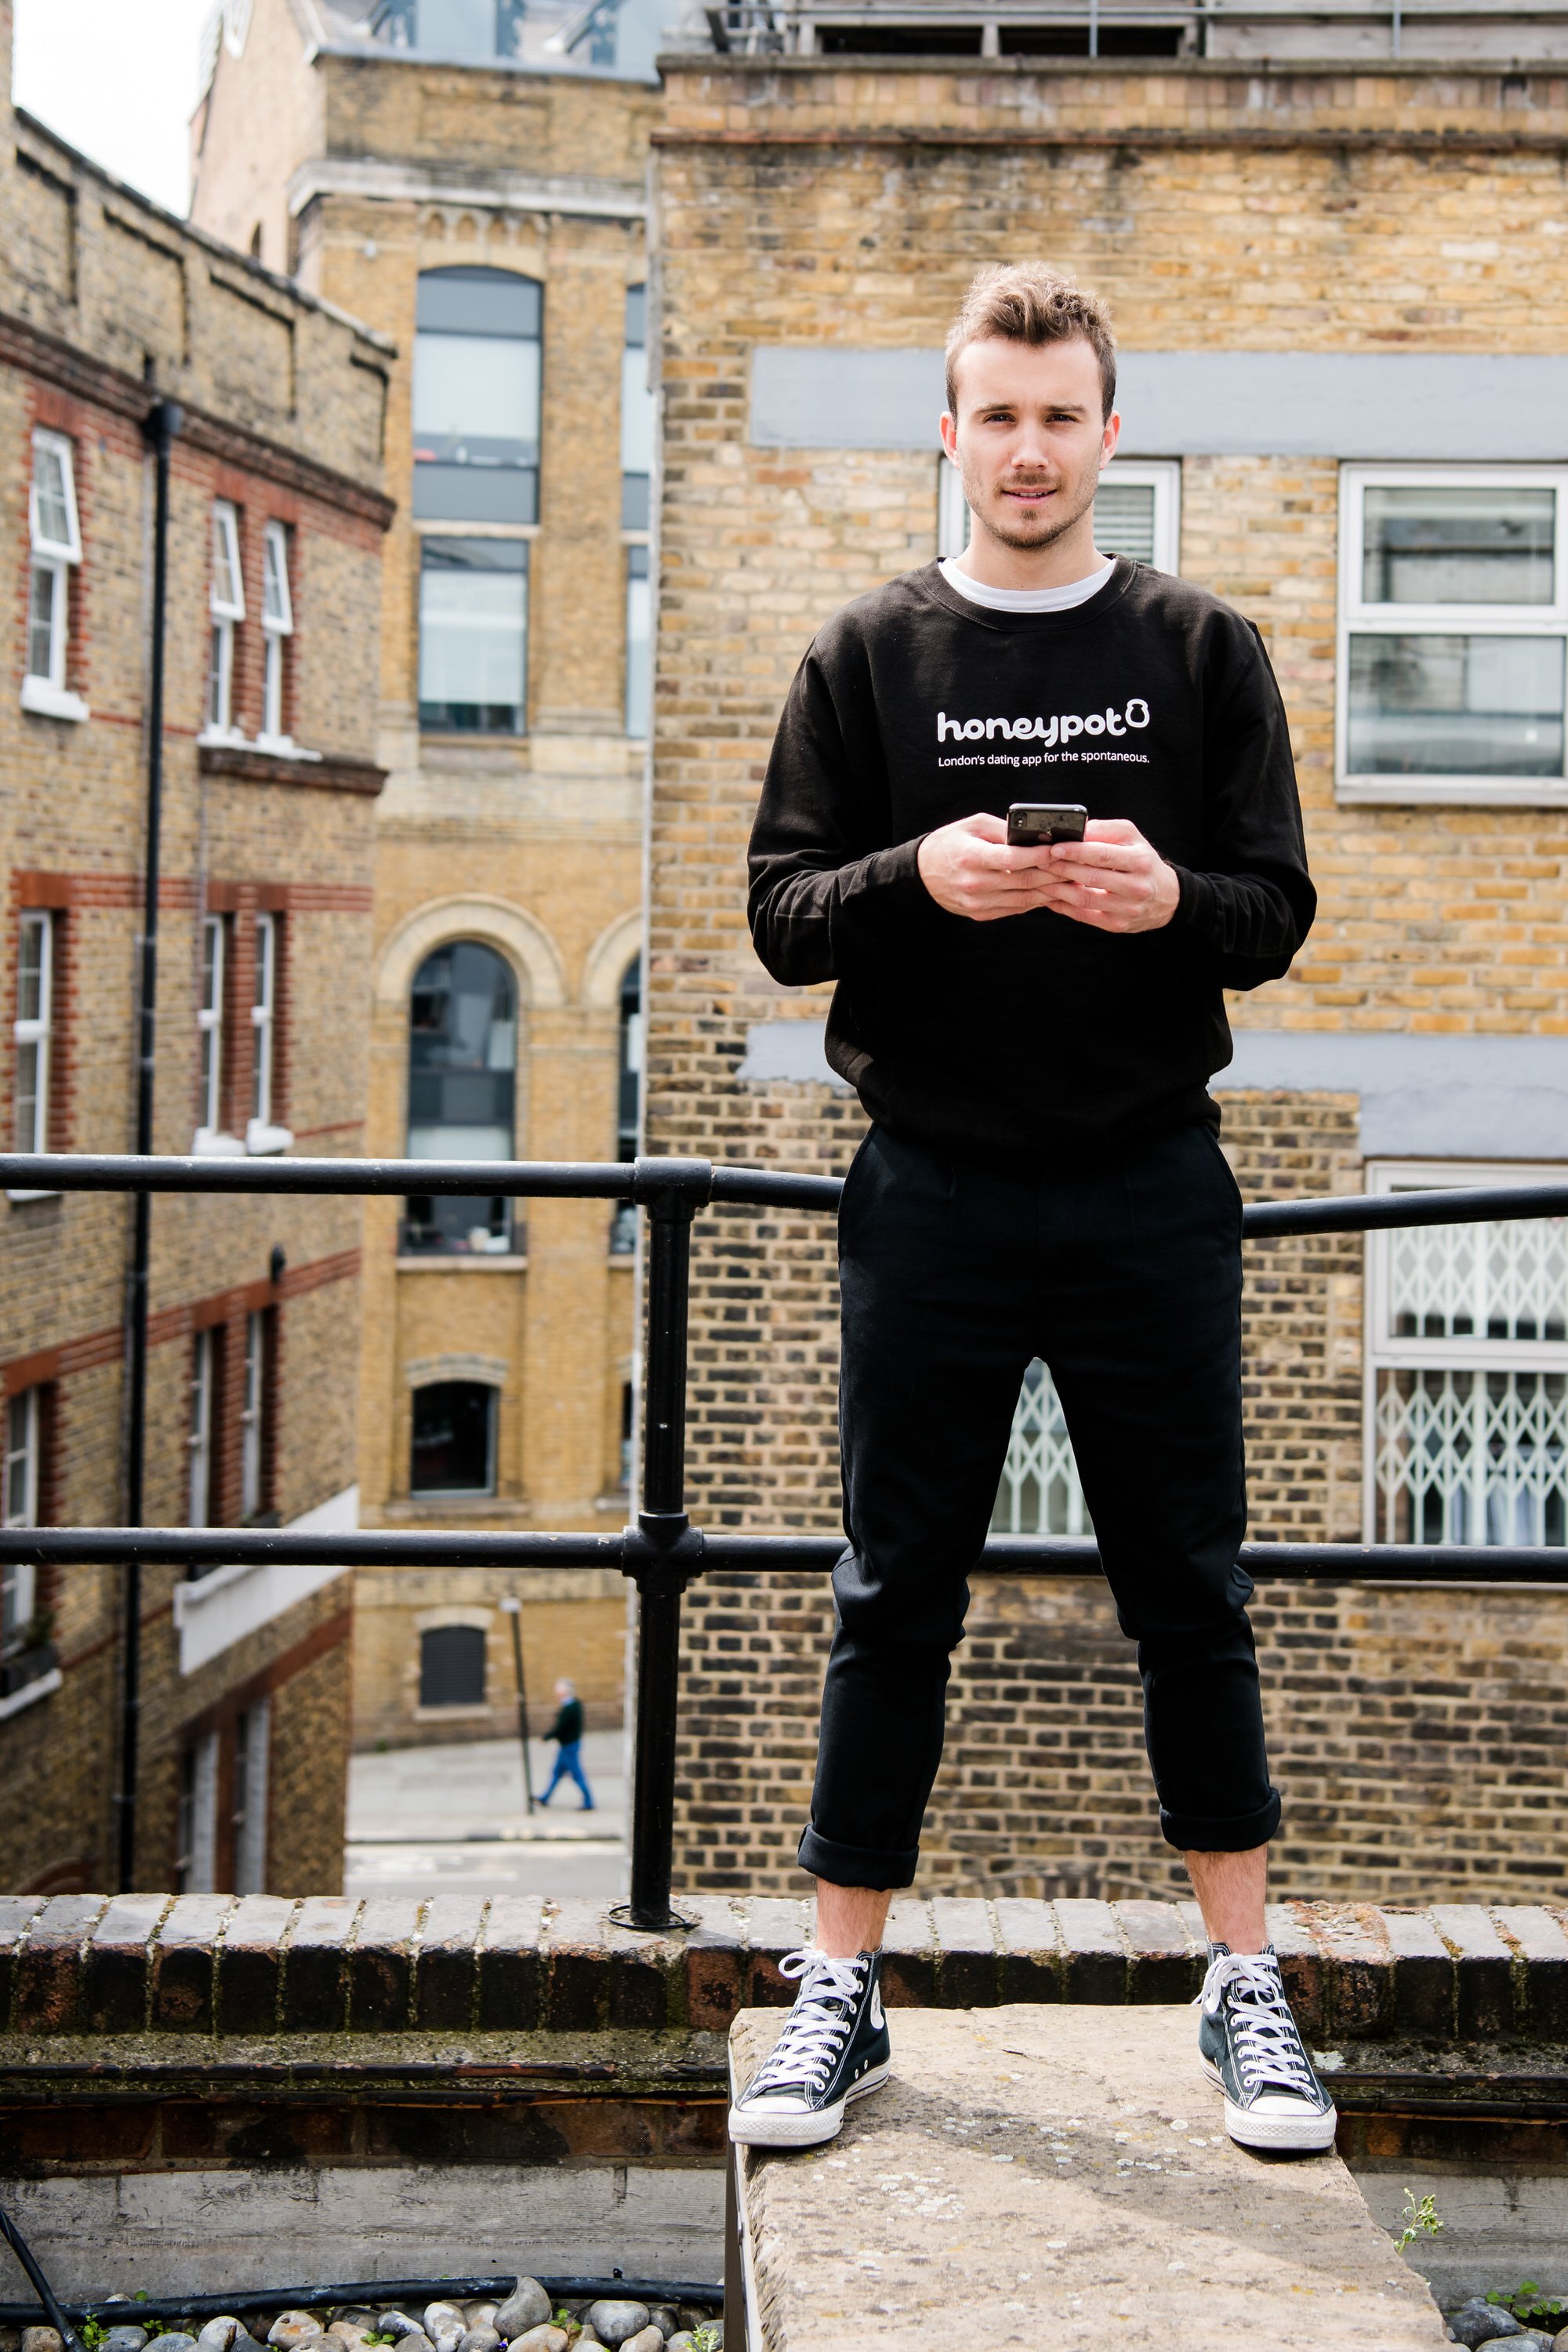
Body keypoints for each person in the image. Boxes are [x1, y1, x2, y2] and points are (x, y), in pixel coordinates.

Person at [728, 262, 1331, 2161]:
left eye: (1058, 413)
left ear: (1106, 431)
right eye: (993, 412)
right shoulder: (863, 656)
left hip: (1151, 1175)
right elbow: (778, 912)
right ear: (947, 430)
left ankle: (1240, 1983)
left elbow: (1276, 909)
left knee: (1191, 1591)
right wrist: (921, 875)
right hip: (930, 1186)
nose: (1025, 447)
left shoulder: (1199, 647)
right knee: (891, 1588)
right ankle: (838, 1987)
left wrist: (1170, 906)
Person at [539, 1678, 593, 1809]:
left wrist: (547, 1737)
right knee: (557, 1772)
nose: (556, 1693)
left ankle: (588, 1802)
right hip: (566, 1745)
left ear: (564, 1692)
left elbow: (561, 1727)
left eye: (558, 1691)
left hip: (570, 1746)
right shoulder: (571, 1705)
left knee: (576, 1774)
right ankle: (545, 1797)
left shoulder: (571, 1707)